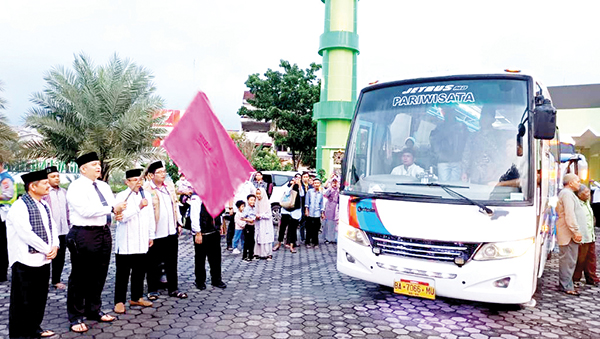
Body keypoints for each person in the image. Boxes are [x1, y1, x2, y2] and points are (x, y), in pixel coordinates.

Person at [66, 152, 126, 333]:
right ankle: (76, 316)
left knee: (99, 273)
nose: (98, 167)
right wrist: (110, 208)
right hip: (84, 233)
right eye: (94, 164)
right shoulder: (76, 187)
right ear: (83, 168)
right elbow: (85, 210)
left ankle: (94, 309)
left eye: (98, 164)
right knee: (80, 276)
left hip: (103, 232)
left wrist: (117, 212)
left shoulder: (103, 186)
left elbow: (112, 205)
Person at [6, 170, 59, 339]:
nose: (48, 185)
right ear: (32, 186)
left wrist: (55, 245)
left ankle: (34, 329)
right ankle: (19, 335)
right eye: (44, 183)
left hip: (43, 260)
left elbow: (53, 227)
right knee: (22, 302)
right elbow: (26, 234)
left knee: (39, 299)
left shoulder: (44, 204)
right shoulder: (19, 206)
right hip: (25, 261)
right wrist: (47, 248)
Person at [113, 169, 155, 314]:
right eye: (135, 180)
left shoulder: (146, 195)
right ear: (127, 182)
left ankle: (136, 297)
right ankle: (119, 301)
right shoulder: (121, 196)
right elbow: (122, 218)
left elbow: (150, 217)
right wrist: (138, 207)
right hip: (126, 241)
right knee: (123, 274)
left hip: (142, 240)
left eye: (141, 180)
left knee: (139, 271)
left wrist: (151, 235)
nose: (139, 183)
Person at [144, 160, 187, 300]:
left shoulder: (169, 187)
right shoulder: (146, 189)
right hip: (156, 232)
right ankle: (152, 289)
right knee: (152, 262)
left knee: (172, 261)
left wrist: (179, 223)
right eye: (160, 172)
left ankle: (173, 288)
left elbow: (175, 204)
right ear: (151, 175)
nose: (163, 174)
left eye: (164, 172)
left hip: (171, 230)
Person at [190, 194, 227, 290]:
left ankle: (216, 279)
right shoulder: (196, 197)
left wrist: (221, 225)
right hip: (202, 232)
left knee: (216, 257)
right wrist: (197, 232)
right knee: (200, 258)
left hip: (214, 231)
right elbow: (194, 215)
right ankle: (200, 281)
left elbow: (220, 212)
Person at [43, 166, 70, 290]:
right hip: (48, 231)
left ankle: (56, 280)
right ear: (46, 179)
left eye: (58, 176)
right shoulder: (44, 193)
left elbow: (68, 210)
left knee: (60, 256)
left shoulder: (64, 192)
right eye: (53, 176)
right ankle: (42, 280)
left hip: (63, 230)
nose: (56, 179)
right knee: (46, 255)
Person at [556, 173, 583, 296]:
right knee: (568, 260)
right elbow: (570, 215)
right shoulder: (567, 194)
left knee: (569, 259)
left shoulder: (567, 194)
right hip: (568, 233)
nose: (579, 184)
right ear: (571, 182)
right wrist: (576, 231)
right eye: (577, 181)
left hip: (568, 232)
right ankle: (566, 286)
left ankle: (567, 284)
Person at [429, 108, 468, 182]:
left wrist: (464, 159)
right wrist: (438, 155)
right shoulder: (439, 127)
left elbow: (467, 144)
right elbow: (433, 142)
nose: (448, 115)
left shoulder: (462, 127)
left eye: (450, 112)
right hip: (443, 160)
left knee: (455, 187)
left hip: (457, 160)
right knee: (443, 186)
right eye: (447, 113)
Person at [573, 184, 599, 286]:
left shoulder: (587, 202)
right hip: (582, 236)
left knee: (591, 258)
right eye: (586, 192)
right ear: (579, 194)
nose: (589, 194)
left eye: (589, 192)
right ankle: (575, 279)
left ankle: (592, 278)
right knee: (580, 259)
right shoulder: (577, 204)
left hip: (590, 235)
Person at [275, 175, 302, 253]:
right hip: (286, 209)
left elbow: (302, 194)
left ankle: (291, 245)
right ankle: (279, 243)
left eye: (298, 178)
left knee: (292, 229)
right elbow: (286, 193)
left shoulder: (300, 186)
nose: (296, 180)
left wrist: (299, 184)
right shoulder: (288, 186)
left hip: (295, 210)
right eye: (295, 178)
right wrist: (292, 184)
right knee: (282, 227)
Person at [0, 162, 15, 282]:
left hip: (2, 215)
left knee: (2, 245)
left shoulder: (5, 179)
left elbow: (7, 195)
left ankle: (2, 273)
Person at [254, 188, 274, 260]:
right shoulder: (256, 202)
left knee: (266, 237)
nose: (258, 195)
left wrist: (261, 215)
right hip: (258, 223)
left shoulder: (267, 203)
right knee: (258, 236)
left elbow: (269, 215)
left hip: (265, 223)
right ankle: (258, 253)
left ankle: (267, 253)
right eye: (257, 194)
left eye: (259, 194)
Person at [305, 178, 324, 248]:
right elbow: (307, 201)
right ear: (313, 184)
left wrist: (322, 212)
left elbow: (321, 203)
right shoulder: (309, 191)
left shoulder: (321, 193)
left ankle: (315, 242)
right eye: (315, 183)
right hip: (310, 212)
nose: (316, 184)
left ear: (319, 184)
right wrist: (306, 210)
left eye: (318, 183)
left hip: (317, 213)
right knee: (309, 228)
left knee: (316, 228)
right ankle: (307, 242)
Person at [322, 176, 340, 244]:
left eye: (336, 182)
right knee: (329, 223)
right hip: (329, 208)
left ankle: (335, 238)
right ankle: (327, 238)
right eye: (333, 182)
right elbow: (325, 195)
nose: (335, 184)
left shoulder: (339, 190)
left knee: (336, 224)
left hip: (337, 208)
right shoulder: (330, 190)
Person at [241, 194, 257, 262]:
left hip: (253, 226)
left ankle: (251, 255)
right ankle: (245, 256)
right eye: (251, 200)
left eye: (254, 200)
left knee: (252, 241)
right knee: (247, 241)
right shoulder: (246, 209)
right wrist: (248, 220)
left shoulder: (255, 208)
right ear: (248, 201)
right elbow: (242, 217)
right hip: (248, 226)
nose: (252, 202)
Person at [298, 172, 312, 243]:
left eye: (307, 176)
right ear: (302, 178)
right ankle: (302, 237)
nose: (306, 178)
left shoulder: (310, 186)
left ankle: (309, 237)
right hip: (302, 205)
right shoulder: (300, 186)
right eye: (304, 177)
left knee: (309, 223)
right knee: (302, 223)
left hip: (310, 206)